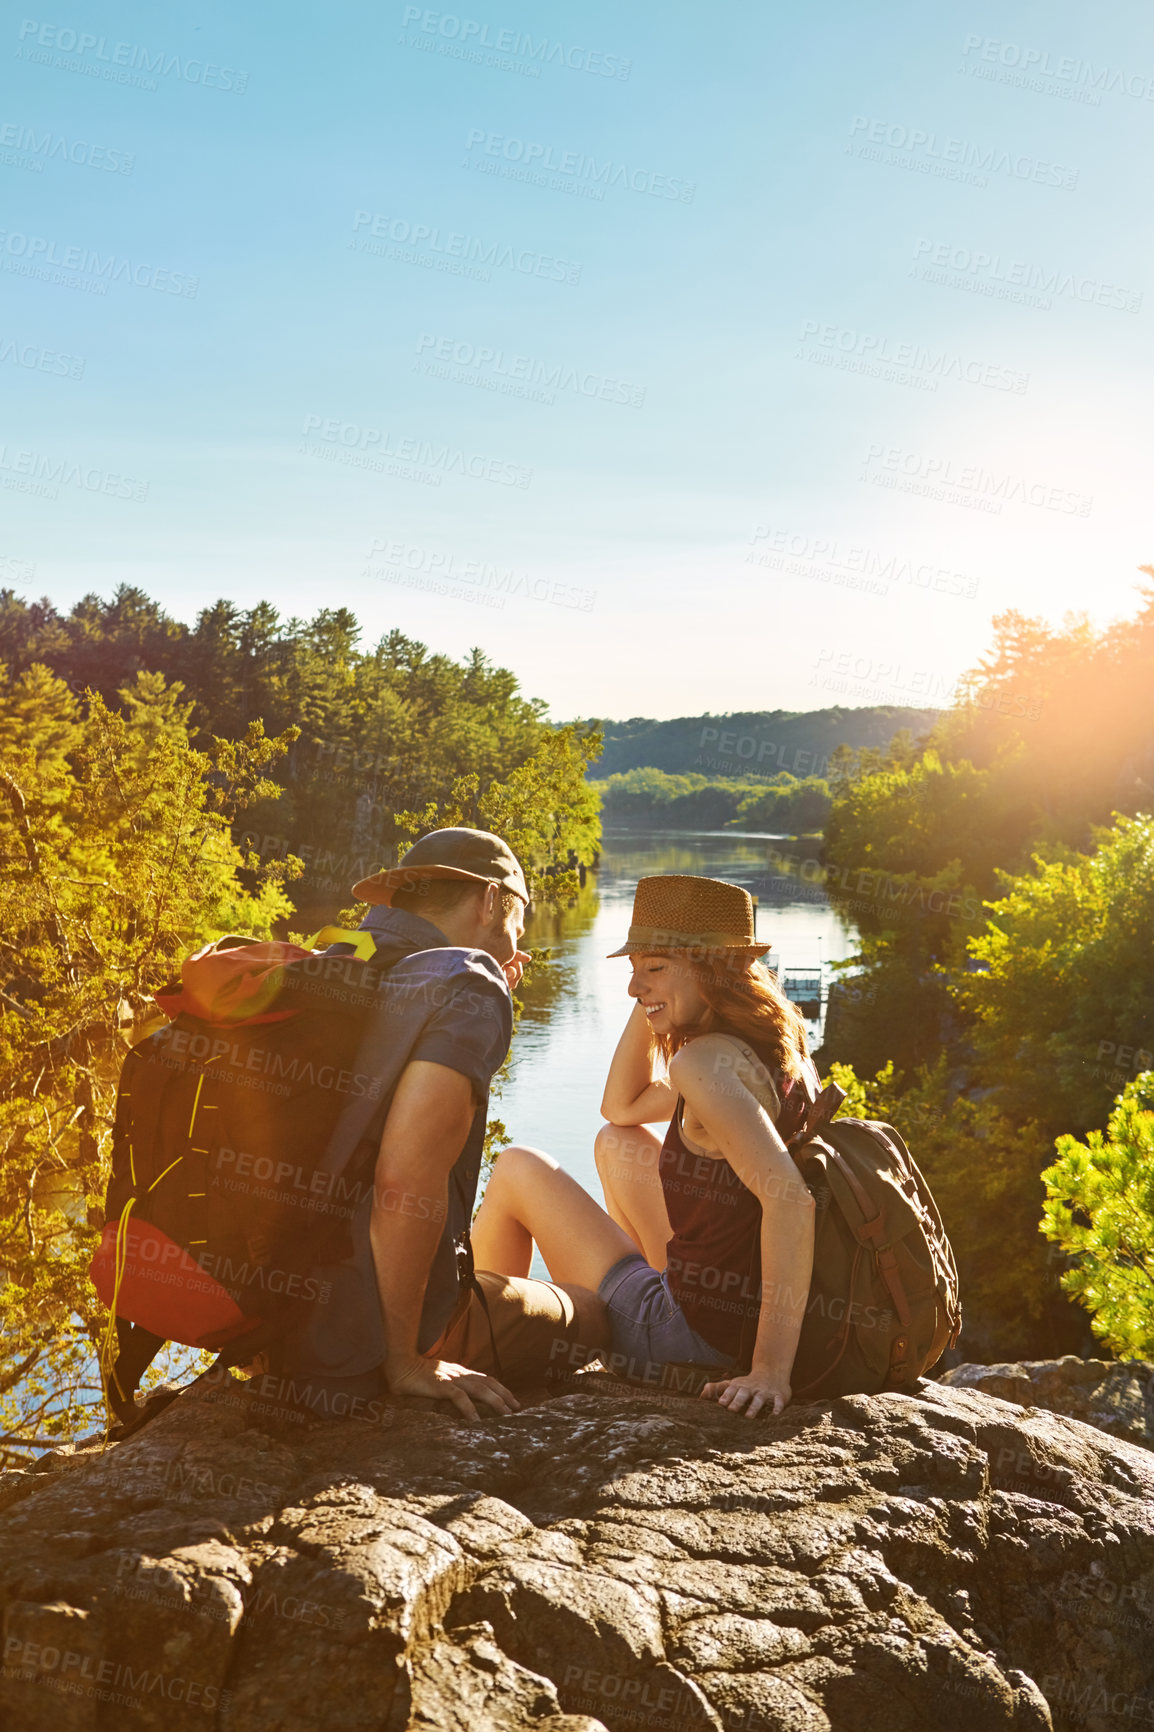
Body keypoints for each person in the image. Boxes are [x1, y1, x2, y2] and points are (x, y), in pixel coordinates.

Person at [270, 827, 609, 1422]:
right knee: (597, 1312)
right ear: (490, 901)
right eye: (520, 921)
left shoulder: (340, 958)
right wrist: (406, 1359)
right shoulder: (467, 985)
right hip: (367, 1336)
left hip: (279, 1319)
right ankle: (427, 1336)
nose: (519, 941)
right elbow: (404, 1182)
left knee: (491, 1272)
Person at [471, 873, 822, 1419]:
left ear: (715, 969)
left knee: (518, 1166)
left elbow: (791, 1201)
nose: (634, 989)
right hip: (722, 1315)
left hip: (684, 1341)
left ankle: (477, 1344)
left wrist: (770, 1372)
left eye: (655, 968)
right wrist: (660, 995)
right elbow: (622, 1108)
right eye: (633, 971)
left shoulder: (700, 1064)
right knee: (618, 1143)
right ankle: (502, 1326)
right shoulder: (772, 1049)